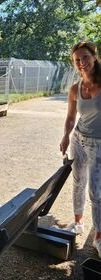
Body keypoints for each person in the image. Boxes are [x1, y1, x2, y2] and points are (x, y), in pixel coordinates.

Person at [60, 41, 101, 258]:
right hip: (78, 140)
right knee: (78, 183)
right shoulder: (75, 89)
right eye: (77, 60)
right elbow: (70, 117)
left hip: (98, 144)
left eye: (85, 57)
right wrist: (66, 136)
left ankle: (99, 238)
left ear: (94, 57)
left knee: (96, 192)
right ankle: (78, 222)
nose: (82, 63)